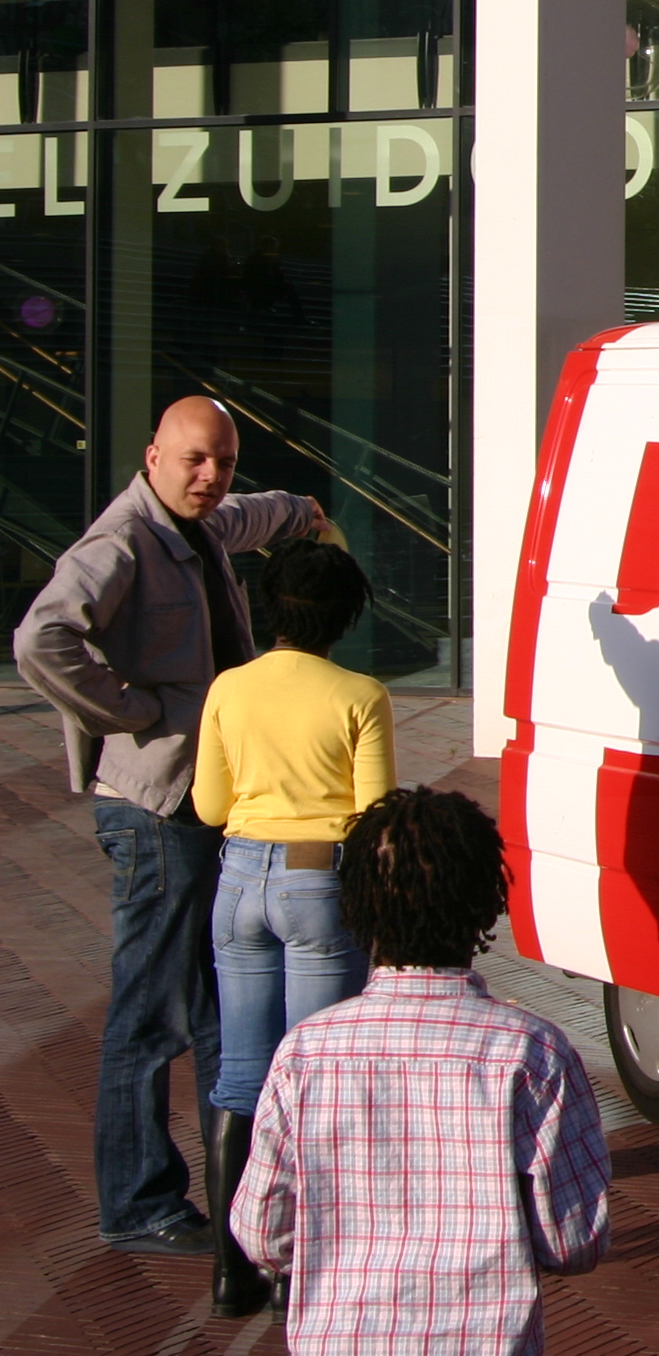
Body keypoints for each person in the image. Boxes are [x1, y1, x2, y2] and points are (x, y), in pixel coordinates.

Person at [13, 396, 322, 1257]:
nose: (210, 476)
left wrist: (301, 510)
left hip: (209, 803)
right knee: (151, 1013)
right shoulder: (120, 543)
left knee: (223, 1005)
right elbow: (40, 640)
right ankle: (138, 1203)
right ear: (153, 456)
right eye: (193, 460)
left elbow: (249, 516)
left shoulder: (203, 524)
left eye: (223, 461)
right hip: (155, 809)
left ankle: (240, 1195)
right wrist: (131, 711)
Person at [232, 786, 611, 1354]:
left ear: (356, 903)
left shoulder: (305, 1053)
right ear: (487, 903)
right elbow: (573, 1240)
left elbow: (263, 1232)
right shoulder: (533, 1054)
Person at [192, 540, 396, 1316]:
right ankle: (297, 1269)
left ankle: (230, 1270)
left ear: (269, 605)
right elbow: (373, 814)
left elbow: (210, 805)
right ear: (344, 617)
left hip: (240, 876)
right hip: (318, 879)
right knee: (315, 1077)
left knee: (241, 1075)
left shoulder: (229, 687)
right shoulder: (360, 694)